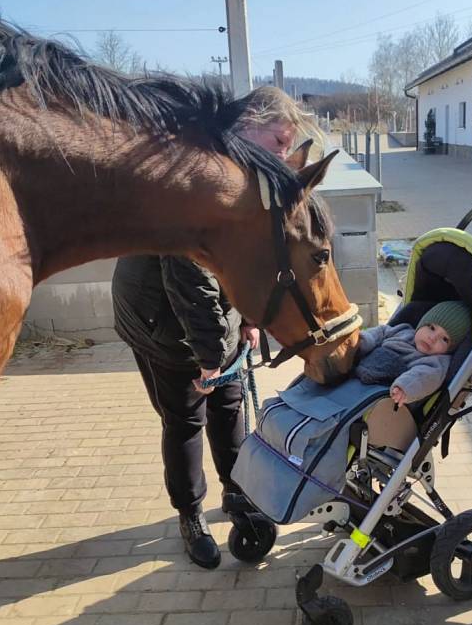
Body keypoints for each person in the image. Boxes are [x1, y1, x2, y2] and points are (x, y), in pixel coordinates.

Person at [112, 86, 318, 570]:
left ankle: (237, 491)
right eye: (280, 142)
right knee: (185, 417)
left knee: (229, 407)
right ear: (247, 128)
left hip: (207, 314)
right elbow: (188, 277)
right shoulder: (197, 174)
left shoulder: (245, 174)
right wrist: (210, 357)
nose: (284, 155)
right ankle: (189, 513)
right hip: (157, 316)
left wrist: (247, 321)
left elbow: (252, 260)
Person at [356, 301, 471, 405]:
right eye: (431, 328)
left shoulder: (437, 361)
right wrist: (363, 340)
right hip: (357, 370)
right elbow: (381, 331)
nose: (432, 338)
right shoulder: (404, 330)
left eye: (444, 339)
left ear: (450, 349)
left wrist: (405, 387)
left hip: (382, 390)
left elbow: (424, 376)